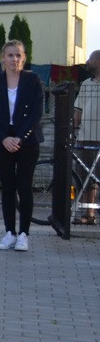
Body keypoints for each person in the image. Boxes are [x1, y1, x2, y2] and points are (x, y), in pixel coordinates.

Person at [0, 41, 44, 251]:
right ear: (3, 58)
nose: (14, 59)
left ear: (24, 58)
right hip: (2, 141)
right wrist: (3, 139)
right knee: (7, 187)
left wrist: (19, 138)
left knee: (24, 186)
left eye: (18, 55)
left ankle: (24, 234)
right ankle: (10, 232)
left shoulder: (33, 80)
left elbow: (36, 112)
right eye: (10, 55)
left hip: (27, 141)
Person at [73, 50, 100, 224]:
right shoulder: (85, 84)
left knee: (96, 177)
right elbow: (78, 110)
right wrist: (74, 129)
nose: (87, 62)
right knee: (84, 177)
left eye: (90, 59)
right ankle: (88, 214)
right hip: (85, 137)